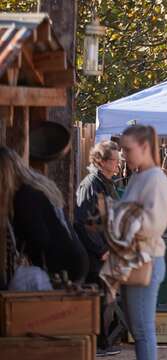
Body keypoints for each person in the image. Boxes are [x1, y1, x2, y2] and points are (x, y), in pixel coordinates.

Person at [119, 125, 167, 360]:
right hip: (135, 258)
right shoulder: (140, 176)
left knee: (142, 330)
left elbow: (153, 223)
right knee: (139, 330)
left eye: (127, 149)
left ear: (144, 147)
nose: (123, 154)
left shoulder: (155, 178)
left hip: (145, 259)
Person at [0, 146, 88, 284]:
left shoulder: (24, 196)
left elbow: (39, 237)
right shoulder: (36, 185)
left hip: (61, 268)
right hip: (74, 258)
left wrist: (25, 253)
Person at [75, 140, 123, 357]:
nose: (117, 164)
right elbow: (84, 223)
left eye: (117, 160)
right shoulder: (91, 185)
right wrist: (102, 250)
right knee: (101, 297)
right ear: (100, 161)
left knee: (109, 298)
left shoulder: (107, 183)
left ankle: (106, 341)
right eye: (114, 160)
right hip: (97, 254)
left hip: (109, 249)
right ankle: (99, 344)